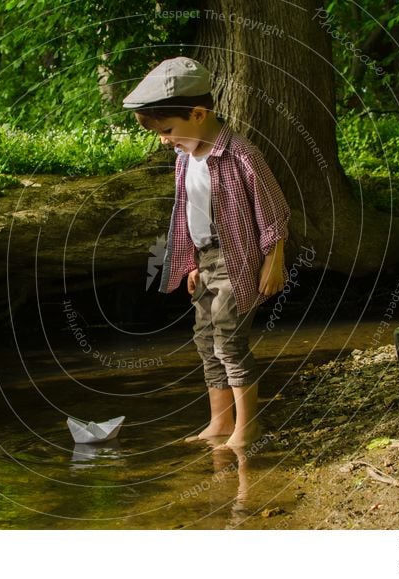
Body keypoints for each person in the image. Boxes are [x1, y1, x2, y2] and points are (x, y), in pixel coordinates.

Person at [123, 56, 290, 449]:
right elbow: (188, 215)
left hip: (238, 260)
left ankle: (247, 427)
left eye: (167, 130)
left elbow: (274, 211)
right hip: (206, 261)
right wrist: (191, 264)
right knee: (205, 338)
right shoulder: (185, 161)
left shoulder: (242, 156)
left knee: (229, 340)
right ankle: (219, 422)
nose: (165, 140)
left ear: (198, 114)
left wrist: (274, 259)